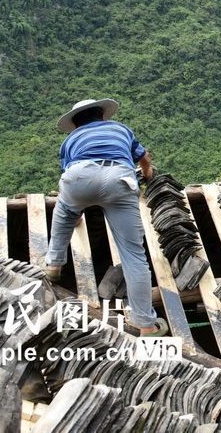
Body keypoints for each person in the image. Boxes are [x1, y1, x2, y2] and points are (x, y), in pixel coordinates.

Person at [44, 98, 168, 335]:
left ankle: (54, 264)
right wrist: (148, 173)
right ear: (102, 116)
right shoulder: (120, 129)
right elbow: (144, 158)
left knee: (65, 210)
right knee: (134, 255)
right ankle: (146, 325)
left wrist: (76, 207)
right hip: (120, 180)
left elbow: (70, 173)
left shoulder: (70, 140)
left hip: (80, 178)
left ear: (76, 124)